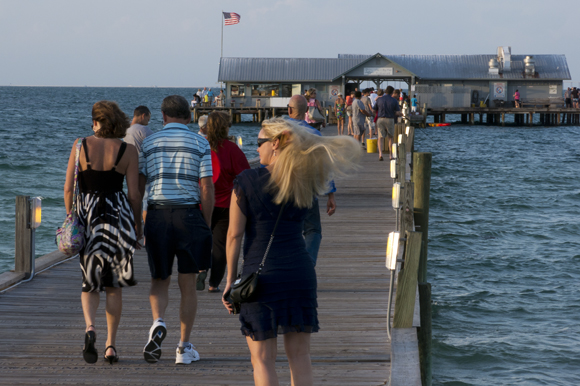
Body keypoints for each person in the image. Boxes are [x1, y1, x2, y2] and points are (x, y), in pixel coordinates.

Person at [222, 117, 361, 386]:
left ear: (275, 144)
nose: (257, 149)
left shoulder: (247, 181)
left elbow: (234, 234)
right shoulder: (304, 180)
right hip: (299, 272)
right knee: (300, 356)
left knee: (262, 359)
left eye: (260, 142)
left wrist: (230, 280)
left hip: (260, 277)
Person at [64, 100, 141, 364]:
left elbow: (67, 190)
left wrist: (72, 218)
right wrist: (137, 227)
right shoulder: (128, 150)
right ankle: (110, 346)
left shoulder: (79, 146)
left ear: (96, 122)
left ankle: (89, 327)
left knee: (90, 284)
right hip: (117, 220)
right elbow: (134, 195)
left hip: (89, 220)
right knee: (114, 287)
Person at [139, 95, 214, 365]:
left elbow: (138, 188)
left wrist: (138, 222)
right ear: (189, 116)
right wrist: (205, 222)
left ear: (163, 115)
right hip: (189, 214)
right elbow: (206, 187)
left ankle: (158, 322)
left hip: (158, 215)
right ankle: (183, 348)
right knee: (188, 285)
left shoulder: (149, 142)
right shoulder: (200, 142)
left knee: (159, 279)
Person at [197, 112, 251, 293]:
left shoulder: (200, 146)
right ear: (225, 127)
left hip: (201, 202)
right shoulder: (232, 149)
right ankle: (214, 283)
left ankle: (201, 268)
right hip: (226, 204)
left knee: (201, 239)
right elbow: (245, 174)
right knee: (220, 245)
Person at [286, 94, 337, 265]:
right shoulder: (315, 134)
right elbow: (325, 167)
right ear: (307, 111)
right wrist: (330, 195)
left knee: (284, 231)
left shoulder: (279, 134)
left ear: (289, 110)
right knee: (313, 230)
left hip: (282, 191)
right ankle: (306, 266)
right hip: (308, 192)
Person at [125, 106, 153, 225]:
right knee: (145, 200)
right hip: (143, 169)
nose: (148, 121)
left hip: (129, 169)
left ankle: (131, 224)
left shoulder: (125, 130)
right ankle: (143, 228)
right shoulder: (144, 130)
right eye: (148, 118)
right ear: (143, 115)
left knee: (132, 197)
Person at [374, 86, 402, 161]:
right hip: (390, 119)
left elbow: (374, 110)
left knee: (380, 137)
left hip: (380, 119)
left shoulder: (379, 99)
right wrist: (400, 114)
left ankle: (380, 154)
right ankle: (390, 155)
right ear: (392, 92)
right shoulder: (394, 100)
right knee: (390, 138)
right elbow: (396, 112)